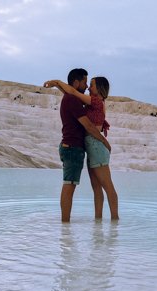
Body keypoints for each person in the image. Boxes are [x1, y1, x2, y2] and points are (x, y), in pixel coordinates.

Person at [45, 73, 119, 221]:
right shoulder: (90, 102)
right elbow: (71, 95)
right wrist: (60, 86)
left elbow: (72, 92)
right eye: (87, 83)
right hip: (91, 145)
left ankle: (115, 220)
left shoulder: (96, 101)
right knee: (97, 188)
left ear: (99, 89)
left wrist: (57, 82)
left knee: (107, 187)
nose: (88, 87)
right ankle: (98, 221)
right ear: (77, 81)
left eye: (91, 85)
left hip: (96, 144)